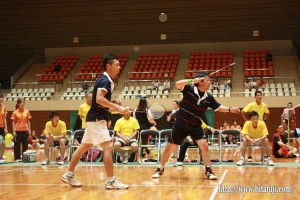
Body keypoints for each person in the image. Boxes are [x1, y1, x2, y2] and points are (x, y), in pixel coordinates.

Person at [152, 71, 240, 180]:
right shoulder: (189, 89)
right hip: (181, 124)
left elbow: (218, 107)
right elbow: (178, 84)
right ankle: (160, 168)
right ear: (200, 81)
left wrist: (230, 109)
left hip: (195, 125)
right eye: (207, 80)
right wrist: (192, 81)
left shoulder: (209, 97)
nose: (210, 82)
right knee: (169, 147)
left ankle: (208, 171)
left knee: (204, 145)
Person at [61, 53, 130, 189]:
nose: (119, 67)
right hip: (97, 120)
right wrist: (118, 108)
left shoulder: (104, 79)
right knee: (108, 147)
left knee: (83, 147)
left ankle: (69, 174)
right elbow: (98, 99)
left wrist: (112, 102)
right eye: (117, 65)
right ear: (108, 66)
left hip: (94, 119)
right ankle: (111, 180)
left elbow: (99, 101)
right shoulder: (105, 80)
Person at [241, 90, 269, 162]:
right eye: (258, 95)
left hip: (260, 126)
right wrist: (246, 120)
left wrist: (265, 119)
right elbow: (243, 112)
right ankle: (249, 156)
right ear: (255, 96)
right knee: (249, 139)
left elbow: (267, 112)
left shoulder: (264, 105)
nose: (259, 96)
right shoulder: (251, 105)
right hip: (251, 125)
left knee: (263, 140)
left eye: (260, 95)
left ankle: (263, 156)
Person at [11, 98, 31, 162]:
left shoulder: (27, 111)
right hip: (17, 131)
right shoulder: (15, 112)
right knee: (17, 145)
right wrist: (14, 131)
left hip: (25, 130)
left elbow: (28, 121)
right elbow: (13, 122)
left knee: (25, 145)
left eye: (23, 102)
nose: (23, 103)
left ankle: (25, 158)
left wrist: (29, 129)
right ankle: (17, 158)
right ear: (18, 104)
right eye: (21, 102)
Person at [0, 93, 8, 162]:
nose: (1, 98)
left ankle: (1, 157)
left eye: (2, 97)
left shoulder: (4, 107)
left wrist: (6, 128)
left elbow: (4, 118)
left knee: (2, 143)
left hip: (1, 127)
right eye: (0, 97)